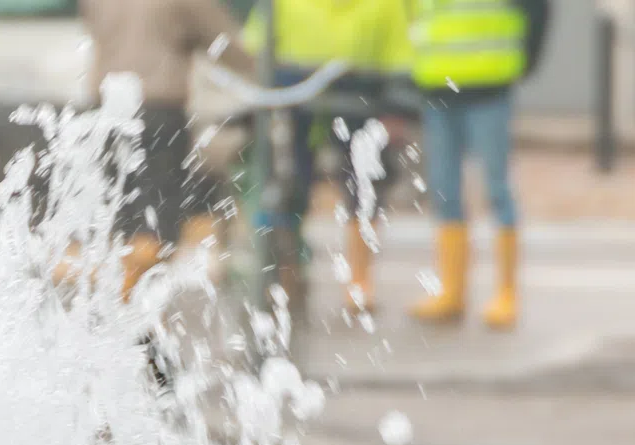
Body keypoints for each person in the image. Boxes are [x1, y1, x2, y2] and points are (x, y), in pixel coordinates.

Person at [243, 0, 415, 316]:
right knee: (287, 184)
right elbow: (253, 50)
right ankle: (285, 272)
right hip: (295, 103)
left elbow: (401, 56)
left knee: (364, 189)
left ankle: (359, 281)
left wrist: (396, 109)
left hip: (361, 104)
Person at [83, 0, 250, 295]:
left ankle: (129, 315)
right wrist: (265, 71)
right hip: (158, 112)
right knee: (154, 226)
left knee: (122, 220)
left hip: (105, 109)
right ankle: (125, 314)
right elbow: (223, 44)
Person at [407, 0, 551, 330]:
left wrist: (526, 62)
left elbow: (538, 9)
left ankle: (506, 292)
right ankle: (452, 290)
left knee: (497, 188)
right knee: (444, 190)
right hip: (436, 81)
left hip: (489, 83)